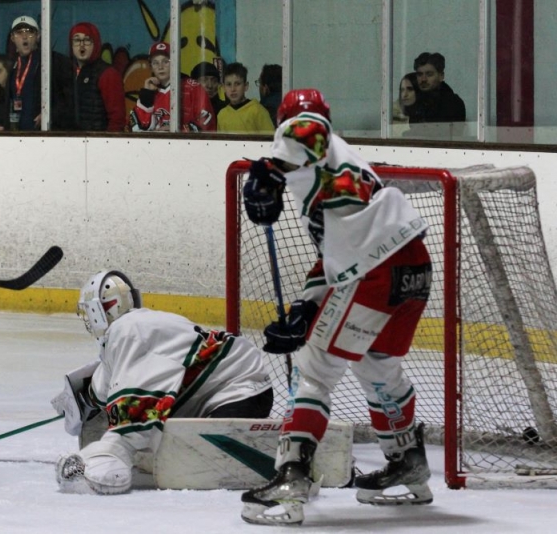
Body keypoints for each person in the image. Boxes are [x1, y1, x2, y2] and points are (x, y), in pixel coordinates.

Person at [239, 89, 433, 525]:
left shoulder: (308, 138)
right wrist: (307, 307)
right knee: (376, 366)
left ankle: (292, 478)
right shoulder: (337, 169)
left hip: (377, 271)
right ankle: (409, 463)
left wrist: (270, 169)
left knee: (313, 370)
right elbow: (337, 254)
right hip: (413, 265)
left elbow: (308, 127)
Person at [52, 270, 273, 495]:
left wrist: (114, 450)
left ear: (100, 310)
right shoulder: (137, 326)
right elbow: (102, 384)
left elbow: (137, 409)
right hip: (238, 386)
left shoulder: (129, 330)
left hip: (237, 391)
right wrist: (81, 398)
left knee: (151, 440)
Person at [129, 42, 216, 132]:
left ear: (175, 62)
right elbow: (136, 129)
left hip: (185, 145)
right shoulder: (150, 91)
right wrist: (146, 98)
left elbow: (207, 122)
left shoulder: (193, 88)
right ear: (151, 66)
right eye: (155, 63)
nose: (160, 67)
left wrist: (179, 131)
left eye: (165, 61)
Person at [7, 15, 74, 131]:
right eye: (19, 32)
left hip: (45, 135)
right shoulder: (13, 67)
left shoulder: (53, 61)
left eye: (29, 32)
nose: (24, 36)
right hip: (19, 135)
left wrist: (50, 115)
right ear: (12, 38)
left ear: (38, 36)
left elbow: (70, 98)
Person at [69, 22, 126, 132]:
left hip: (98, 143)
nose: (82, 45)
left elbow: (117, 119)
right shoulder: (66, 71)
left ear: (95, 43)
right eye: (77, 40)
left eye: (87, 40)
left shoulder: (108, 74)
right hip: (72, 143)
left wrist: (106, 144)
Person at [408, 52, 465, 136]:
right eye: (420, 74)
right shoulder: (415, 100)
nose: (423, 79)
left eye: (429, 74)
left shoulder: (453, 103)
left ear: (441, 76)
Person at [216, 62, 274, 134]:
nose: (233, 89)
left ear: (246, 86)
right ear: (224, 87)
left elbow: (270, 140)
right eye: (228, 84)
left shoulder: (257, 111)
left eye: (237, 84)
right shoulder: (222, 115)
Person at [392, 72, 421, 137]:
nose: (405, 94)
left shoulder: (430, 114)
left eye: (410, 89)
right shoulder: (392, 114)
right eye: (402, 90)